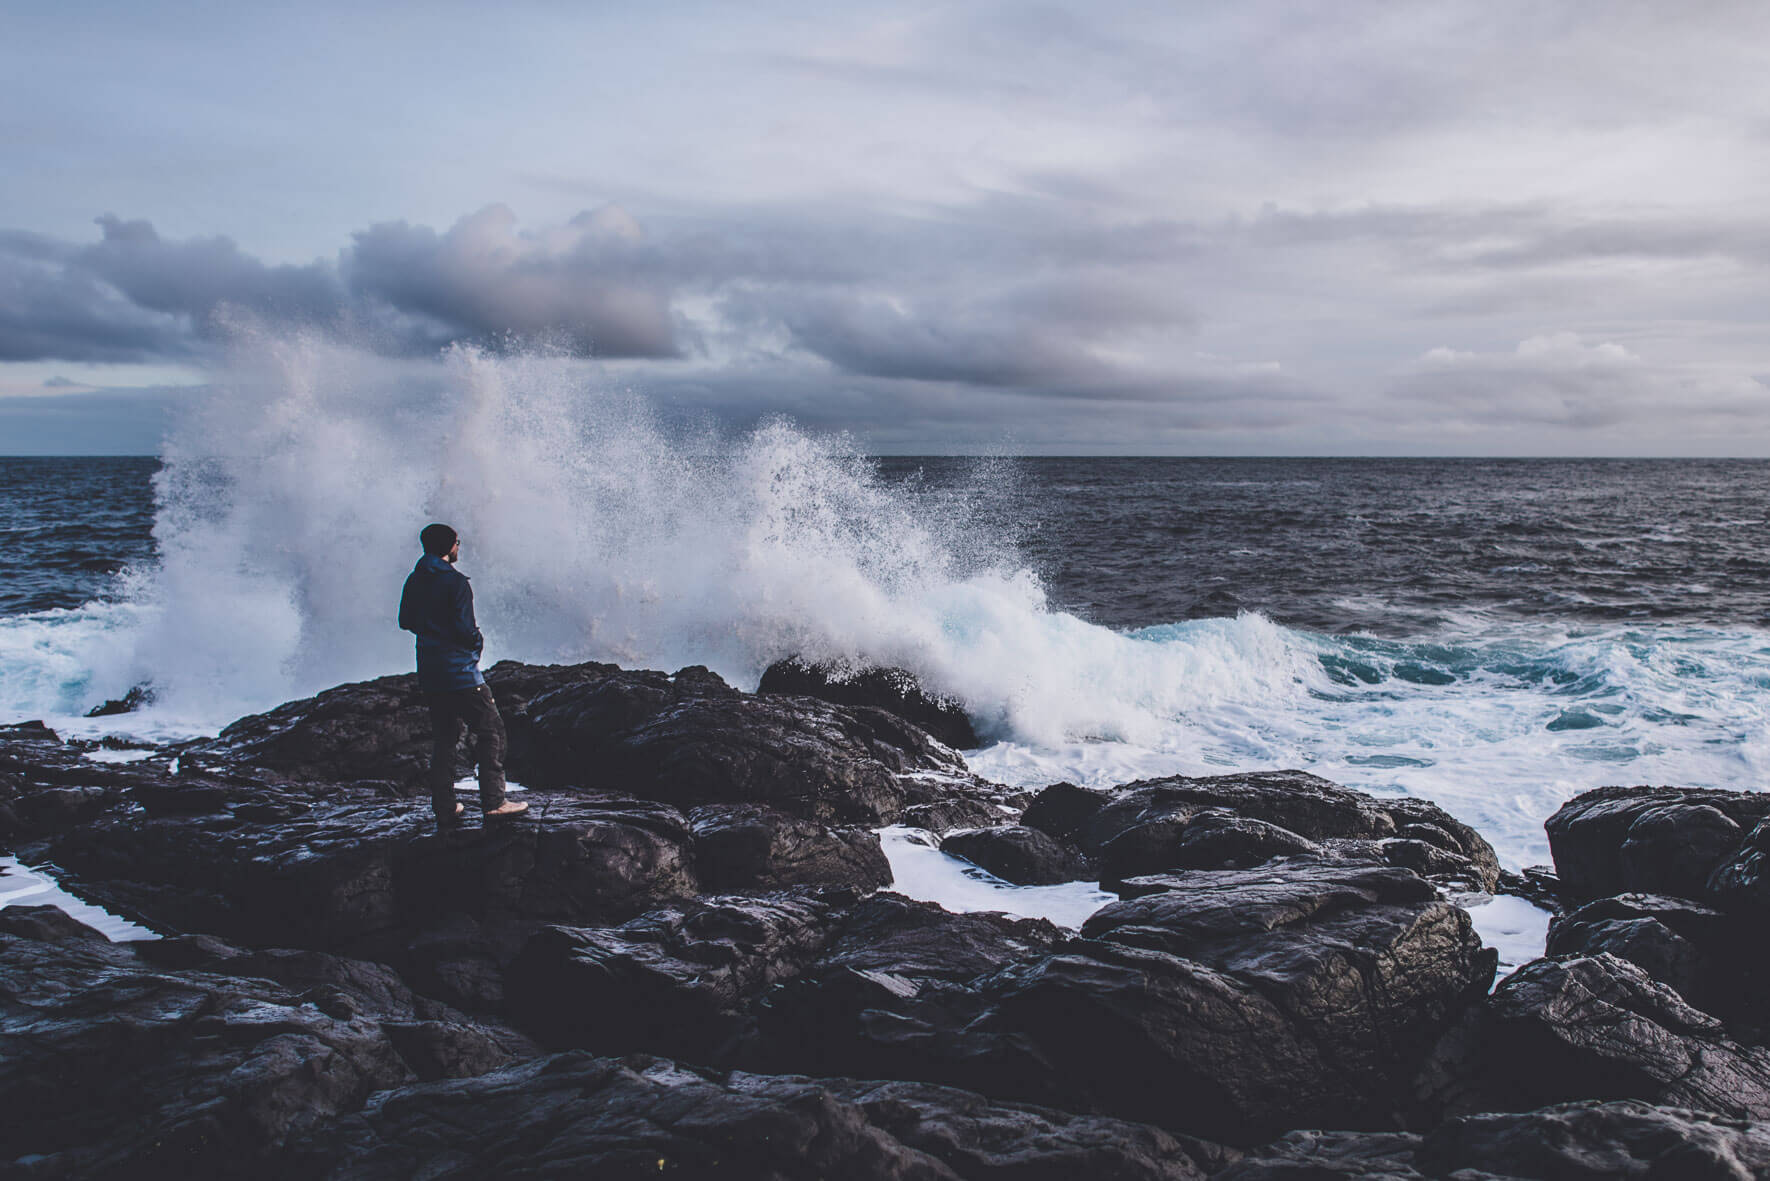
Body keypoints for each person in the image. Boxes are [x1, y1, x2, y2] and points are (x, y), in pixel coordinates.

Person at [398, 523, 528, 825]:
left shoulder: (415, 579)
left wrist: (432, 631)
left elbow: (405, 621)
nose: (459, 547)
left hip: (430, 671)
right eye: (458, 543)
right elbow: (464, 629)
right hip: (461, 673)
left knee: (444, 738)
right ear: (449, 547)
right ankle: (495, 801)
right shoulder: (454, 582)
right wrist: (476, 641)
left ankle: (445, 806)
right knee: (491, 731)